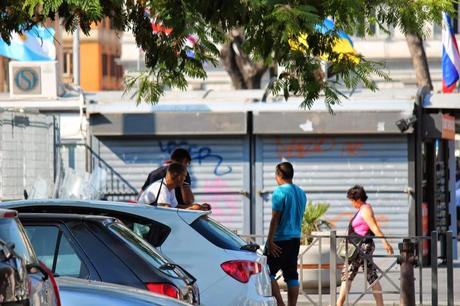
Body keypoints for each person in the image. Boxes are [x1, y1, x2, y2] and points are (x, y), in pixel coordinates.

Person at [337, 185, 394, 306]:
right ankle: (380, 304)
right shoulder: (363, 209)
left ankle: (338, 304)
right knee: (370, 276)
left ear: (357, 199)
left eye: (352, 201)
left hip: (360, 248)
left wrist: (385, 242)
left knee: (347, 276)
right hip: (360, 247)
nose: (352, 204)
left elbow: (374, 227)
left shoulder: (365, 210)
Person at [265, 162, 307, 306]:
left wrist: (270, 240)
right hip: (295, 239)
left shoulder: (279, 192)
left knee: (266, 273)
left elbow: (275, 218)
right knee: (291, 275)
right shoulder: (301, 193)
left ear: (279, 175)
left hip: (279, 240)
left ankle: (280, 304)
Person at [138, 163, 210, 210]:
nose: (185, 179)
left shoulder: (170, 188)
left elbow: (175, 207)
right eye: (184, 176)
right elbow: (168, 211)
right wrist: (192, 209)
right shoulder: (161, 187)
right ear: (178, 177)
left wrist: (197, 206)